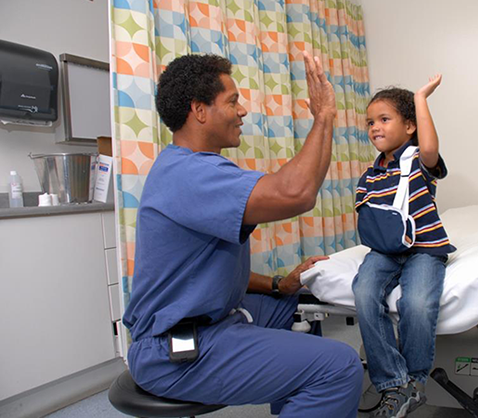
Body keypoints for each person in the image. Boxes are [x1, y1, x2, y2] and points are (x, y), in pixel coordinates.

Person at [122, 52, 363, 418]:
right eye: (232, 101)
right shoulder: (188, 174)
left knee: (300, 310)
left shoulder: (192, 167)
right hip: (175, 350)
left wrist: (279, 285)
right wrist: (324, 116)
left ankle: (297, 402)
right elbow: (296, 193)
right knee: (339, 366)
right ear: (199, 111)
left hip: (211, 316)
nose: (242, 110)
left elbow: (205, 270)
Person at [352, 77, 456, 418]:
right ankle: (393, 382)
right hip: (384, 250)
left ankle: (414, 381)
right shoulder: (370, 174)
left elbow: (429, 147)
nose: (375, 127)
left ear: (409, 126)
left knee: (417, 302)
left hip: (425, 248)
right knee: (365, 292)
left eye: (384, 119)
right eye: (370, 122)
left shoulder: (418, 163)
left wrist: (420, 99)